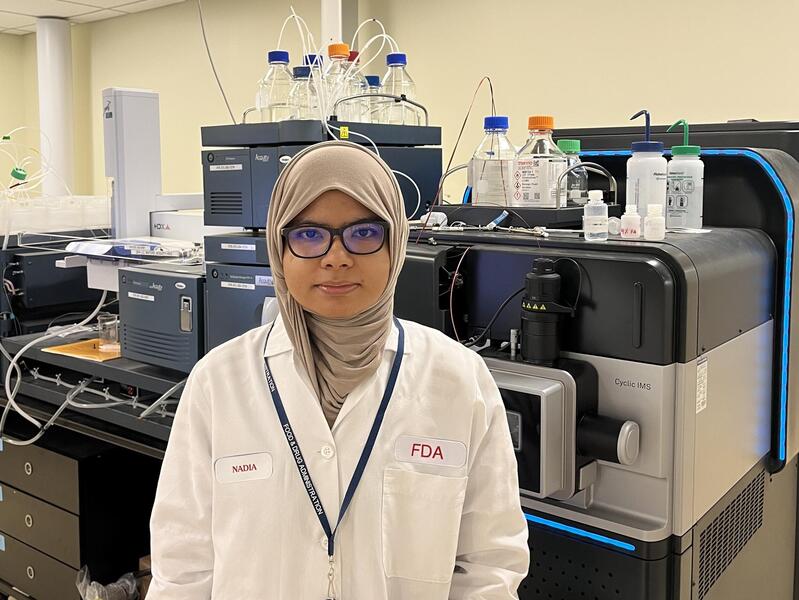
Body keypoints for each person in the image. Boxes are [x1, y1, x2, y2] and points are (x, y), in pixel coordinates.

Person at [147, 141, 529, 599]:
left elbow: (489, 566)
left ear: (396, 244)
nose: (336, 257)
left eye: (363, 233)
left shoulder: (458, 380)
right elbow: (183, 568)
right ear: (278, 248)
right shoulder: (218, 383)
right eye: (308, 235)